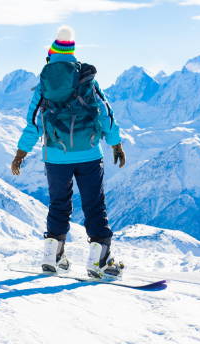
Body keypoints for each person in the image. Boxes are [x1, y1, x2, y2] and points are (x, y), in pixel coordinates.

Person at [11, 25, 126, 278]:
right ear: (73, 53)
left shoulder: (45, 84)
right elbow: (105, 112)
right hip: (89, 154)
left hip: (55, 156)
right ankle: (100, 260)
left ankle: (53, 255)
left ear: (51, 54)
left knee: (59, 204)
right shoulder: (87, 78)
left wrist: (21, 152)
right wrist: (115, 143)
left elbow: (33, 121)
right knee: (94, 205)